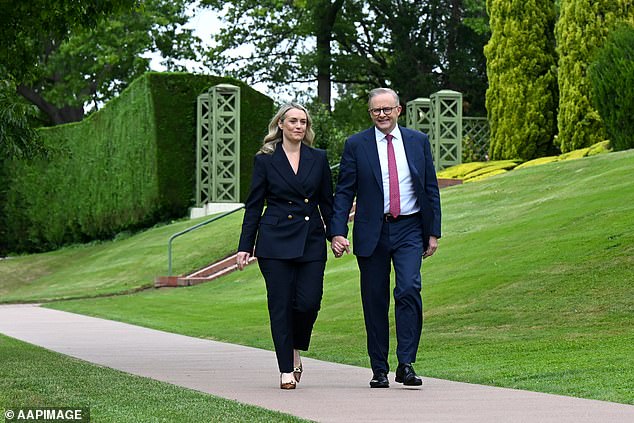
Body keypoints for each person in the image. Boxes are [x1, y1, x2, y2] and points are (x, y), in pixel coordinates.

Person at [330, 88, 441, 388]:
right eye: (376, 111)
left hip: (409, 229)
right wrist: (337, 230)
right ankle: (379, 368)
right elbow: (344, 192)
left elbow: (430, 187)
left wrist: (433, 232)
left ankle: (406, 364)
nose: (382, 114)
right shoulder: (356, 145)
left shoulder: (418, 142)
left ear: (398, 110)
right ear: (370, 114)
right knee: (374, 299)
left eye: (387, 109)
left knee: (408, 289)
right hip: (372, 231)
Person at [236, 103, 334, 390]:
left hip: (311, 239)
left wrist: (336, 234)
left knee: (308, 302)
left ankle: (295, 346)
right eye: (292, 121)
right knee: (280, 305)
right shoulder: (265, 160)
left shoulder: (318, 158)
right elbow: (254, 206)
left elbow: (327, 202)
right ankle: (285, 369)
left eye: (303, 122)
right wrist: (245, 246)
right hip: (274, 241)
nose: (298, 126)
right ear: (280, 124)